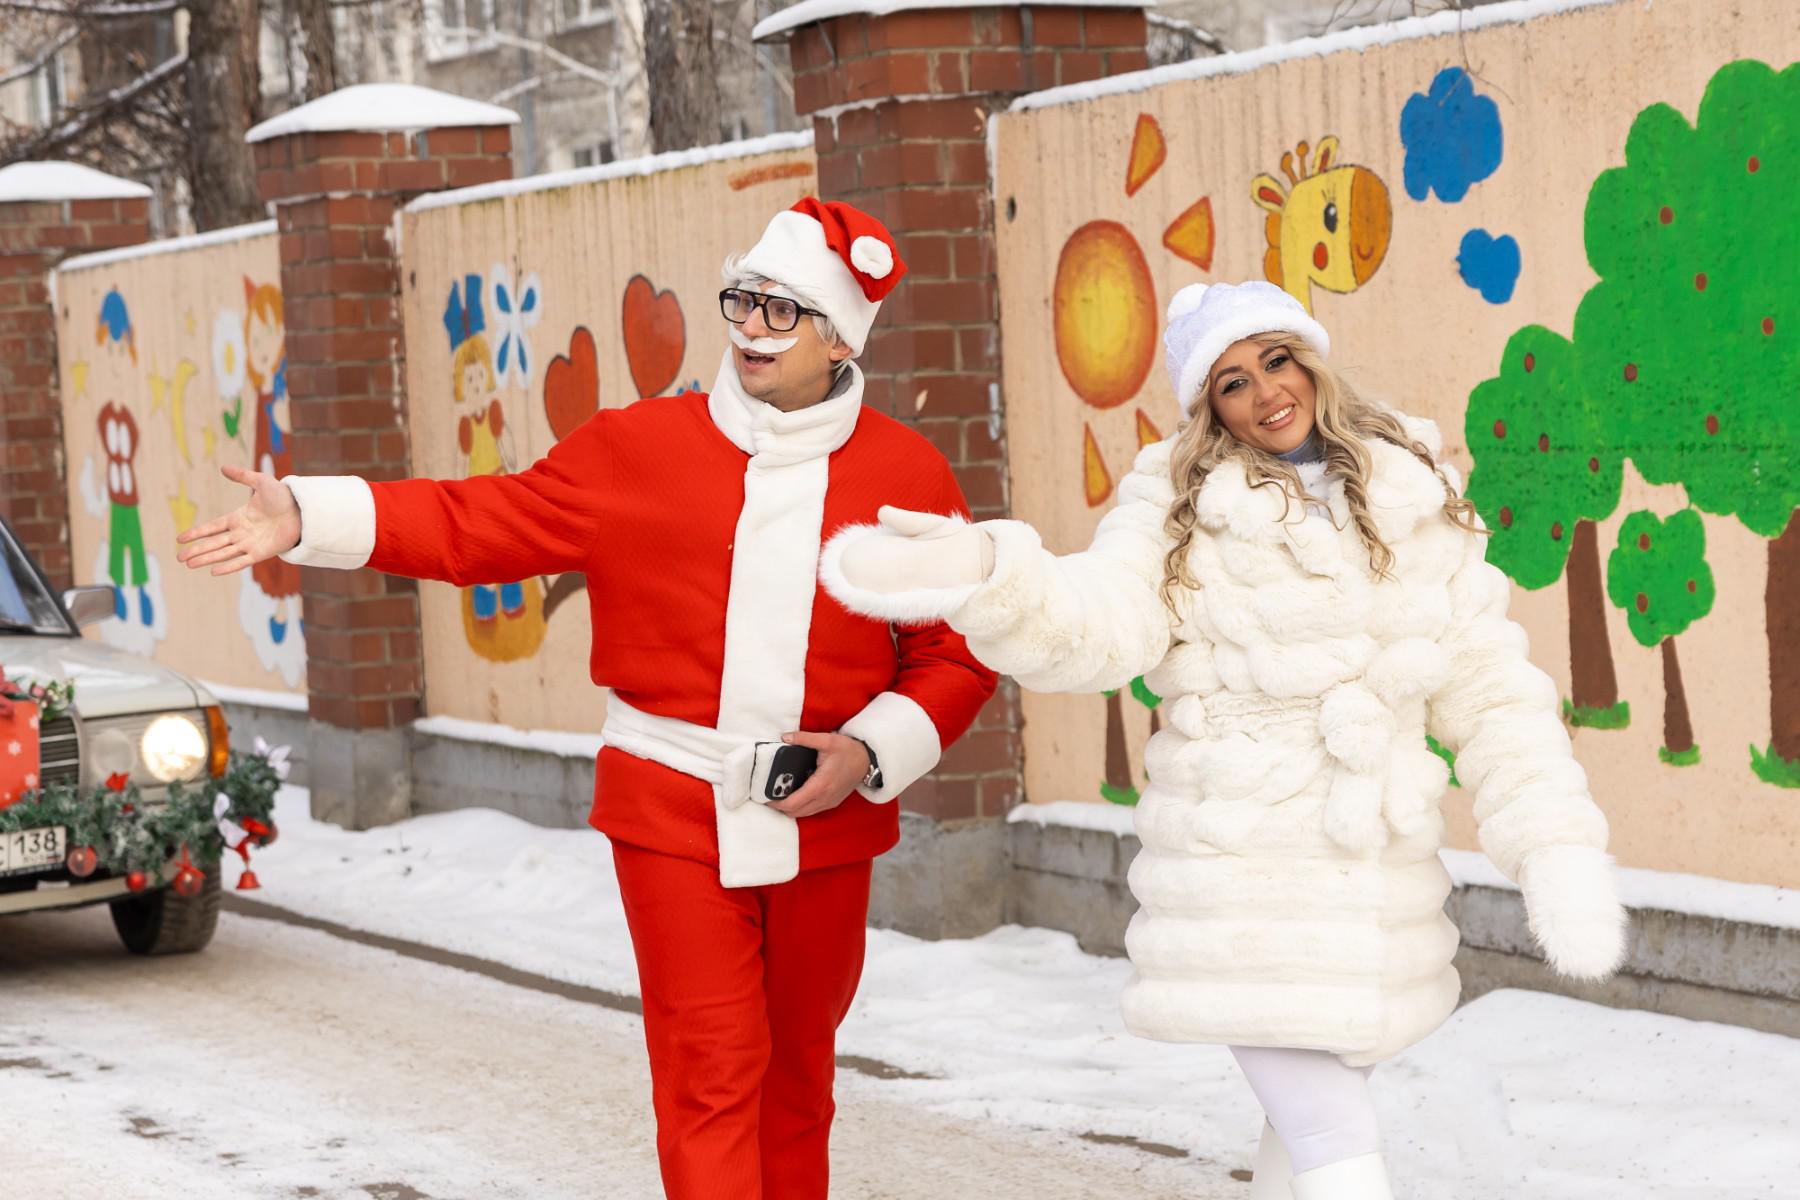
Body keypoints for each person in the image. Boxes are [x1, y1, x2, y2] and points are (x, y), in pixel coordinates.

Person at [176, 198, 998, 1200]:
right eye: (743, 300)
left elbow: (956, 654)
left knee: (798, 1079)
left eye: (782, 311)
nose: (750, 326)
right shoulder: (633, 448)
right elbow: (477, 522)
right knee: (712, 1072)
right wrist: (309, 511)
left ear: (840, 340)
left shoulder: (908, 471)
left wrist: (868, 753)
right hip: (672, 810)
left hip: (826, 825)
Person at [821, 280, 1627, 1199]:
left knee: (1306, 1132)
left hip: (1373, 880)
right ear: (1210, 408)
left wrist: (1552, 844)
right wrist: (992, 575)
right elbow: (1102, 618)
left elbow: (1489, 691)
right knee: (1335, 1137)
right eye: (1232, 382)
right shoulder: (1180, 504)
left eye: (1276, 361)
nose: (1266, 393)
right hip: (1244, 880)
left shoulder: (1410, 492)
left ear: (1311, 361)